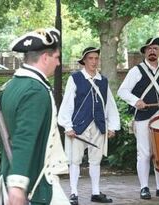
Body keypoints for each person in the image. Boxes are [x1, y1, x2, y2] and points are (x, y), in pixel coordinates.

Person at [0, 28, 69, 205]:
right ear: (45, 57)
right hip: (36, 182)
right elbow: (24, 138)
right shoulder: (35, 90)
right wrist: (18, 184)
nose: (58, 63)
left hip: (16, 174)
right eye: (56, 57)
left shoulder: (15, 84)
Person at [117, 37, 159, 200]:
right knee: (144, 153)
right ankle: (144, 187)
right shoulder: (136, 70)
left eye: (155, 48)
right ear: (144, 52)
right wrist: (136, 101)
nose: (152, 51)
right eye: (149, 49)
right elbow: (122, 91)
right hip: (143, 117)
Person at [58, 47, 120, 205]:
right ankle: (73, 193)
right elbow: (68, 104)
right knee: (75, 160)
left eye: (96, 58)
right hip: (78, 127)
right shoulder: (76, 78)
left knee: (95, 161)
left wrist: (112, 126)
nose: (94, 61)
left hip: (98, 126)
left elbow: (110, 105)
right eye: (90, 58)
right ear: (84, 61)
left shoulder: (103, 81)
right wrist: (68, 126)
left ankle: (95, 192)